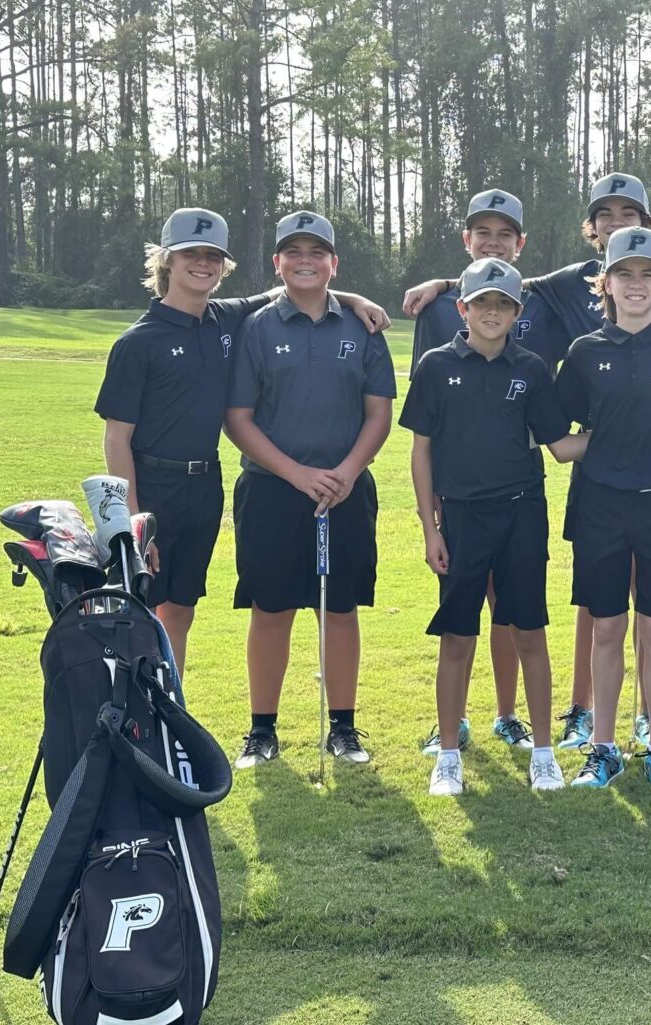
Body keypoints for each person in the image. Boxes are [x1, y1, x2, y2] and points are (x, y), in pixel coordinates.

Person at [404, 173, 651, 752]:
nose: (618, 223)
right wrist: (442, 281)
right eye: (606, 214)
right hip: (589, 484)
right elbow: (505, 282)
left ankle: (646, 724)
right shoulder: (565, 286)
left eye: (629, 213)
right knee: (596, 604)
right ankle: (584, 716)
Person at [95, 208, 389, 675]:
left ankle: (172, 719)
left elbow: (294, 287)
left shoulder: (225, 319)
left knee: (181, 611)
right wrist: (134, 523)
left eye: (213, 256)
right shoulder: (138, 342)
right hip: (151, 486)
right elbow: (117, 439)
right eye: (191, 253)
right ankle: (144, 724)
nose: (203, 264)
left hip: (204, 485)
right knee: (146, 612)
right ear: (167, 260)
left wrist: (353, 299)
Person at [400, 258, 589, 795]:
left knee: (529, 630)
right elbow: (421, 452)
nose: (491, 311)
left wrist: (624, 430)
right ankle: (450, 758)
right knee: (457, 636)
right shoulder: (436, 366)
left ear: (516, 312)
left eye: (502, 304)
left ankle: (545, 754)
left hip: (522, 513)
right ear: (462, 308)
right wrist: (429, 529)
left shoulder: (531, 368)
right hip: (459, 518)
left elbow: (558, 446)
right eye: (481, 302)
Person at [225, 211, 397, 768]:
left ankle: (343, 729)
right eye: (293, 252)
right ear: (276, 262)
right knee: (271, 609)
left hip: (345, 490)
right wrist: (297, 474)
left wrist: (346, 471)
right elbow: (238, 419)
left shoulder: (360, 327)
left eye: (316, 252)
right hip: (273, 491)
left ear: (333, 263)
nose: (305, 261)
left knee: (340, 609)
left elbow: (378, 413)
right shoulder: (256, 326)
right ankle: (262, 731)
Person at [553, 227, 651, 790]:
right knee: (605, 627)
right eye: (625, 274)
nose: (636, 285)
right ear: (606, 284)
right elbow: (559, 431)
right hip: (601, 506)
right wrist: (609, 443)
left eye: (648, 275)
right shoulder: (586, 352)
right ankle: (603, 747)